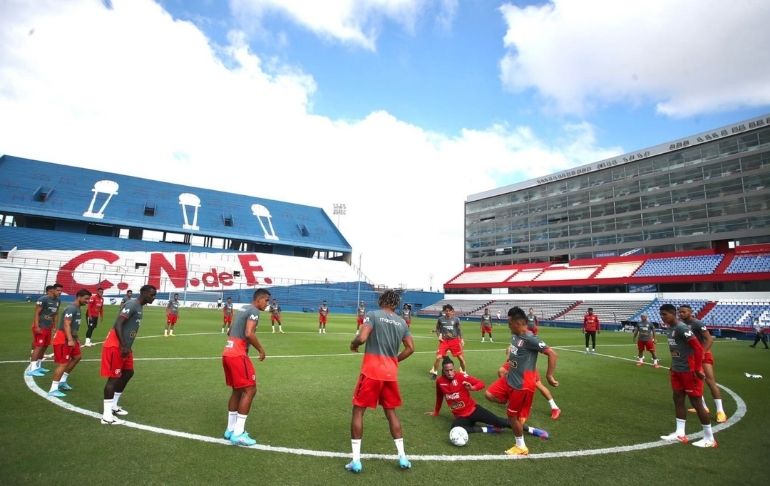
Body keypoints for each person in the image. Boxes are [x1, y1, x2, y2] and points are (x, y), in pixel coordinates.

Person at [346, 289, 415, 473]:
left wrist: (353, 344)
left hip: (371, 372)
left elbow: (362, 338)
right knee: (391, 412)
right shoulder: (402, 322)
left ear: (382, 300)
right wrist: (394, 360)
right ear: (396, 304)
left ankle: (356, 461)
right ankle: (402, 457)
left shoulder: (373, 315)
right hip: (390, 374)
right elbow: (411, 348)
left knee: (358, 411)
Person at [485, 306, 559, 456]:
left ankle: (521, 447)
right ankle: (510, 404)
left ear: (518, 323)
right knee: (489, 394)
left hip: (522, 384)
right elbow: (515, 350)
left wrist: (549, 376)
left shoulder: (531, 338)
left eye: (509, 323)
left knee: (512, 416)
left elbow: (552, 354)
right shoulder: (515, 335)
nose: (508, 325)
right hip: (510, 377)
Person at [427, 357, 550, 438]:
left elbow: (481, 383)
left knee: (501, 422)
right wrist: (436, 412)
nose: (450, 373)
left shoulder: (461, 377)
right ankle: (487, 430)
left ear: (454, 369)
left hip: (474, 410)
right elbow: (439, 397)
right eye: (447, 370)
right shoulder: (440, 382)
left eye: (451, 370)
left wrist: (472, 388)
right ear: (442, 370)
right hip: (460, 416)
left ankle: (533, 430)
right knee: (454, 428)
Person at [659, 304, 717, 448]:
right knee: (678, 399)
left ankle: (710, 438)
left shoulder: (682, 328)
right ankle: (680, 433)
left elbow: (697, 347)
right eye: (661, 314)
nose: (662, 317)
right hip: (677, 370)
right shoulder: (670, 328)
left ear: (673, 314)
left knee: (697, 403)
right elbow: (676, 349)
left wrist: (697, 368)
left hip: (689, 371)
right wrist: (673, 365)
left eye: (665, 314)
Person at [99, 284, 157, 425]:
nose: (153, 297)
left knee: (128, 373)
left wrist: (127, 346)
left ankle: (114, 406)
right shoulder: (132, 304)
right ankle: (106, 416)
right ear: (143, 293)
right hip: (116, 346)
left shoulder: (140, 307)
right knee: (113, 378)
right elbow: (118, 323)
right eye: (151, 294)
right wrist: (124, 345)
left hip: (125, 346)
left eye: (154, 295)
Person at [222, 289, 270, 446]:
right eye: (266, 301)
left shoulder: (242, 308)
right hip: (237, 354)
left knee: (237, 389)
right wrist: (261, 349)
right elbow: (249, 333)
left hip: (228, 351)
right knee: (250, 390)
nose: (267, 304)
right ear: (259, 299)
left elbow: (230, 330)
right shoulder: (254, 311)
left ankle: (230, 430)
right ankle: (238, 433)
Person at [678, 304, 727, 424]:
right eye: (680, 312)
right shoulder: (681, 325)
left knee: (710, 381)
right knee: (695, 383)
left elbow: (710, 339)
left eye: (684, 312)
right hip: (691, 357)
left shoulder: (698, 323)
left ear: (690, 312)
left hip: (703, 355)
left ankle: (720, 411)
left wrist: (702, 353)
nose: (681, 314)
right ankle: (703, 407)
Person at [48, 289, 91, 397]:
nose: (88, 301)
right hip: (64, 339)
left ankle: (62, 381)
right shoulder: (72, 308)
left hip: (71, 338)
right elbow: (66, 324)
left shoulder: (77, 308)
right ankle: (53, 389)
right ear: (79, 297)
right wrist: (70, 339)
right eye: (86, 298)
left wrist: (75, 338)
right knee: (63, 363)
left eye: (89, 299)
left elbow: (73, 326)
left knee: (77, 357)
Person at [497, 349, 561, 420]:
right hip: (514, 363)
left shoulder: (530, 339)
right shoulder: (515, 340)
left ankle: (555, 408)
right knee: (501, 371)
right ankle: (511, 397)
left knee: (538, 385)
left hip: (526, 366)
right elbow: (509, 350)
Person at [26, 284, 63, 377]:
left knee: (45, 346)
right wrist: (37, 326)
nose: (60, 292)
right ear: (53, 290)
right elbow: (37, 313)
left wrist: (55, 327)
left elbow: (55, 314)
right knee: (38, 346)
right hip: (41, 326)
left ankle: (38, 366)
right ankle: (32, 368)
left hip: (49, 327)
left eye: (61, 290)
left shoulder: (58, 301)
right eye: (58, 290)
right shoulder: (43, 299)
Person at [429, 304, 466, 379]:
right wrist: (439, 336)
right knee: (438, 357)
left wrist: (461, 339)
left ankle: (464, 372)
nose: (448, 312)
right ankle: (435, 373)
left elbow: (459, 330)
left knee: (461, 358)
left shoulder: (456, 319)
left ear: (452, 311)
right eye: (446, 311)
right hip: (444, 341)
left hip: (454, 341)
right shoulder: (440, 319)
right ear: (444, 311)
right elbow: (437, 328)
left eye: (449, 311)